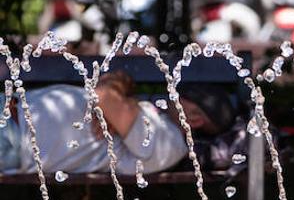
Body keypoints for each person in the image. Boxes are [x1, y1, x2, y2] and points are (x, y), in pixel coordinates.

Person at [0, 70, 237, 176]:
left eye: (187, 97)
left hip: (12, 136)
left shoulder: (168, 141)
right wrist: (122, 91)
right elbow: (115, 78)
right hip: (10, 115)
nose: (177, 95)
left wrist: (115, 99)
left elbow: (103, 93)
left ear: (195, 119)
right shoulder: (156, 122)